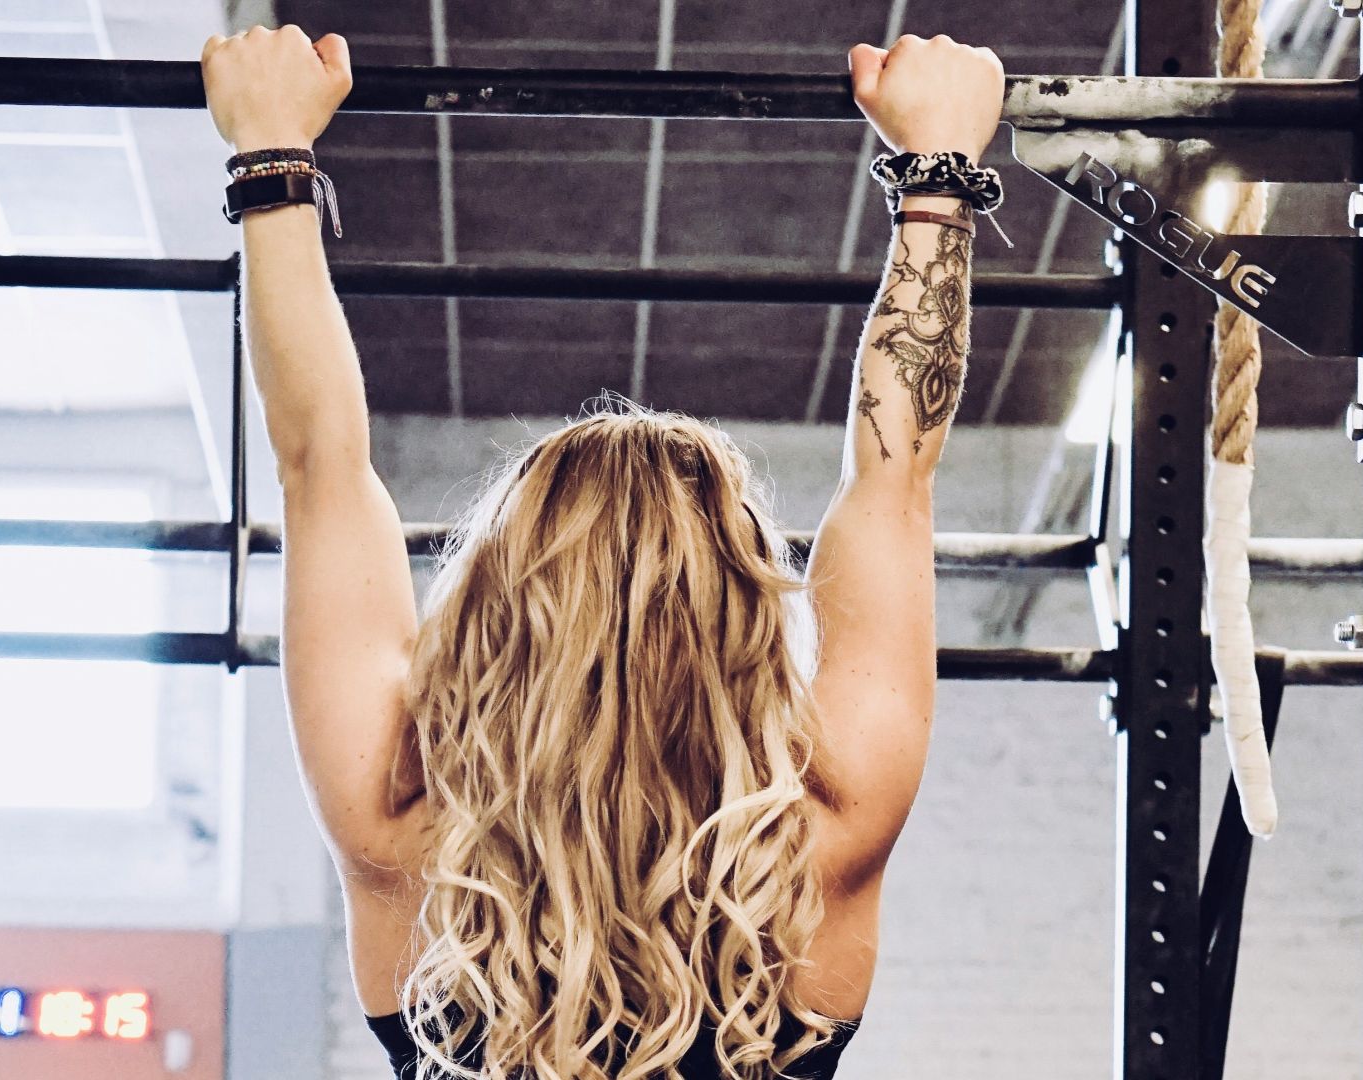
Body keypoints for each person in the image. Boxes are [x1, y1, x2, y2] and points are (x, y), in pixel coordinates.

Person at [200, 25, 1005, 1080]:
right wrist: (939, 173)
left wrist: (272, 157)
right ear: (747, 611)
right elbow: (893, 481)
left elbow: (319, 465)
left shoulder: (402, 825)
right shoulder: (826, 833)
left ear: (498, 595)